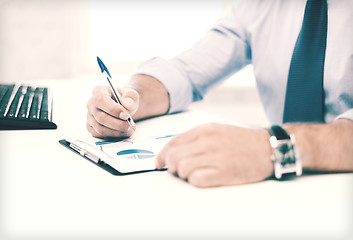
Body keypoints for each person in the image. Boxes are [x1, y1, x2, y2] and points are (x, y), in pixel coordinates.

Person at [86, 0, 353, 187]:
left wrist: (271, 147)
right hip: (284, 191)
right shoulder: (261, 6)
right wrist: (132, 98)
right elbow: (185, 72)